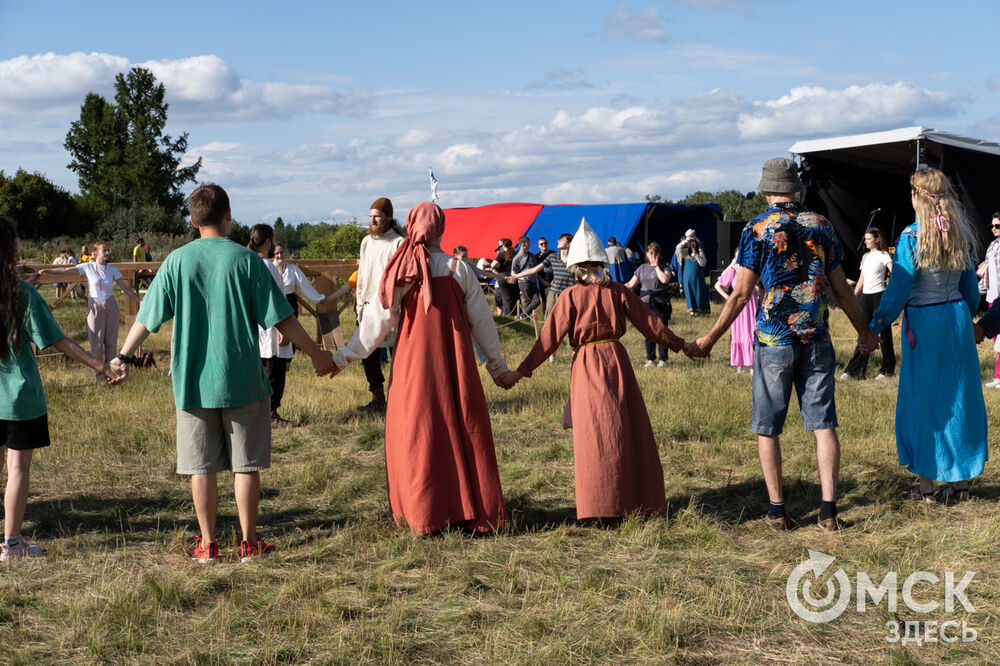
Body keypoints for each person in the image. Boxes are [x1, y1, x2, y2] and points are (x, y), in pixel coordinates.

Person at [111, 184, 336, 562]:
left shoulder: (176, 262)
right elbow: (283, 319)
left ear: (192, 220)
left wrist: (121, 355)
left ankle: (208, 544)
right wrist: (317, 356)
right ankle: (249, 543)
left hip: (192, 382)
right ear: (229, 215)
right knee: (245, 466)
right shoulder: (247, 262)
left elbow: (147, 319)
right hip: (243, 379)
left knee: (202, 467)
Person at [686, 157, 879, 533]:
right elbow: (840, 288)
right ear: (797, 189)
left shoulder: (757, 228)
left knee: (768, 427)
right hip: (816, 337)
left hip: (773, 339)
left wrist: (709, 339)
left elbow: (740, 294)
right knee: (823, 425)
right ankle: (827, 511)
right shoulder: (821, 225)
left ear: (766, 188)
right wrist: (864, 333)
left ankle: (777, 510)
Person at [331, 202, 515, 535]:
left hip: (413, 364)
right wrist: (496, 366)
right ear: (441, 230)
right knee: (461, 426)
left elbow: (376, 322)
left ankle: (423, 511)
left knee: (418, 431)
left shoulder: (402, 270)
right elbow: (483, 323)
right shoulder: (458, 269)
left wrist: (343, 357)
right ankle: (467, 509)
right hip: (454, 363)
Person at [507, 219, 686, 521]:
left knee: (595, 435)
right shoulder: (615, 291)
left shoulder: (572, 296)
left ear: (574, 265)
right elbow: (652, 324)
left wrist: (521, 371)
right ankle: (627, 501)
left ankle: (601, 505)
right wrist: (683, 345)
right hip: (615, 360)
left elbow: (548, 340)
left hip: (588, 364)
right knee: (621, 430)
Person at [0, 217, 123, 561]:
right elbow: (61, 342)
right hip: (19, 399)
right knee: (18, 471)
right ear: (11, 250)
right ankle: (11, 545)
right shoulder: (21, 294)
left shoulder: (21, 291)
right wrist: (102, 366)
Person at [869, 167, 985, 502]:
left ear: (918, 196)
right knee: (960, 397)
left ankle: (926, 487)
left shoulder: (910, 236)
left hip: (924, 322)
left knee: (924, 400)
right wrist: (970, 314)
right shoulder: (960, 232)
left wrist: (877, 323)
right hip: (957, 318)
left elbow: (899, 288)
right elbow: (970, 289)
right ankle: (961, 483)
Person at [32, 241, 142, 381]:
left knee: (111, 341)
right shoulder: (88, 266)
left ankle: (112, 373)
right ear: (94, 253)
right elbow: (66, 271)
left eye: (109, 250)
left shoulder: (113, 269)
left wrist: (139, 300)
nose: (108, 253)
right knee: (96, 341)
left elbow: (126, 289)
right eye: (105, 250)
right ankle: (99, 376)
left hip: (110, 305)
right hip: (95, 305)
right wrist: (46, 271)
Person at [355, 197, 405, 412]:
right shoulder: (366, 242)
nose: (373, 220)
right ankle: (377, 397)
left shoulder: (399, 243)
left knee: (399, 355)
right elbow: (362, 276)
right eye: (370, 216)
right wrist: (359, 306)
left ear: (388, 218)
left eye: (377, 216)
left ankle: (401, 399)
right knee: (368, 354)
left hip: (390, 307)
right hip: (367, 307)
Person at [842, 227, 895, 380]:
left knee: (884, 333)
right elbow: (862, 279)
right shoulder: (865, 256)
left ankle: (887, 369)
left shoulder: (884, 255)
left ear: (877, 239)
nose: (865, 241)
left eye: (868, 238)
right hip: (865, 297)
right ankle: (855, 370)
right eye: (865, 238)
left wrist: (892, 291)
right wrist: (852, 297)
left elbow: (893, 271)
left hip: (879, 296)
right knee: (863, 332)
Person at [625, 242, 673, 367]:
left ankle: (663, 359)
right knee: (648, 331)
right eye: (651, 253)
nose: (653, 256)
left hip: (660, 302)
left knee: (662, 330)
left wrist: (657, 266)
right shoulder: (642, 268)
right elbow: (630, 284)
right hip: (645, 303)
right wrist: (616, 287)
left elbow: (664, 279)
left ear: (659, 254)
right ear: (646, 254)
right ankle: (650, 359)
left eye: (655, 253)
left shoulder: (665, 266)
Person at [272, 243, 349, 316]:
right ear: (273, 254)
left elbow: (304, 285)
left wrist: (319, 299)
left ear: (286, 253)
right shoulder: (268, 269)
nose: (280, 255)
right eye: (276, 253)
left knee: (291, 329)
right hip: (274, 301)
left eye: (282, 252)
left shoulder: (293, 268)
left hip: (290, 302)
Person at [714, 249, 758, 373]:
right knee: (738, 332)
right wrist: (728, 298)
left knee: (751, 331)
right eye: (737, 256)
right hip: (737, 306)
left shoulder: (751, 269)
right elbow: (718, 284)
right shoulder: (733, 270)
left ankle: (752, 364)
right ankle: (740, 363)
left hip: (750, 304)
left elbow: (760, 287)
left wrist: (752, 287)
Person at [977, 212, 1000, 389]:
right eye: (992, 226)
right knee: (997, 341)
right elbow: (986, 273)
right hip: (993, 297)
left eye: (997, 226)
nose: (993, 229)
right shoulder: (992, 245)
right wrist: (975, 291)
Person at [675, 230, 709, 314]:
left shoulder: (699, 252)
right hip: (688, 278)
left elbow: (703, 263)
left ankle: (701, 310)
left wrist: (696, 254)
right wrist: (686, 241)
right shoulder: (685, 253)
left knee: (699, 293)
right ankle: (692, 310)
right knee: (690, 293)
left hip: (698, 278)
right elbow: (678, 248)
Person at [511, 236, 541, 319]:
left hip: (533, 282)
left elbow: (535, 268)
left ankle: (521, 316)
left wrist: (537, 278)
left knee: (537, 301)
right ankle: (525, 319)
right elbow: (513, 273)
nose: (530, 244)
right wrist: (521, 278)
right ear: (523, 244)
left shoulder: (531, 255)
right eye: (528, 242)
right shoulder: (516, 258)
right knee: (527, 301)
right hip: (524, 282)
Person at [491, 238, 518, 316]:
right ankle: (517, 316)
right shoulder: (515, 252)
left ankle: (508, 317)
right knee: (515, 297)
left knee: (507, 299)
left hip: (503, 277)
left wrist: (497, 267)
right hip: (514, 276)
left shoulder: (501, 254)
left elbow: (493, 265)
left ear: (503, 246)